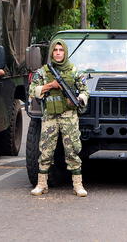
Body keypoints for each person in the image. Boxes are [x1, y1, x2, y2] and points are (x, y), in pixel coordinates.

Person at [29, 39, 89, 197]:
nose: (57, 53)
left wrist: (78, 99)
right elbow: (32, 90)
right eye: (55, 50)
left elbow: (84, 90)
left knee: (73, 150)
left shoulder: (74, 71)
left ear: (65, 52)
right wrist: (51, 85)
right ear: (51, 53)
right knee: (46, 150)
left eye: (60, 50)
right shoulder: (43, 71)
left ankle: (78, 184)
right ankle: (42, 184)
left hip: (69, 115)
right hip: (50, 115)